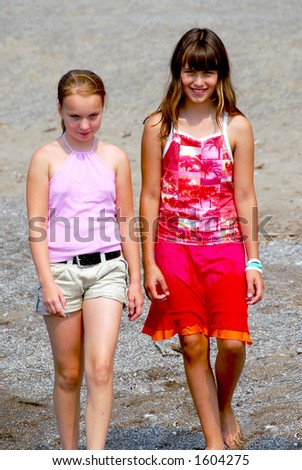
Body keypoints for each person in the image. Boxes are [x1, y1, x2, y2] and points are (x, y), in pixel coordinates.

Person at [139, 28, 265, 450]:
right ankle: (213, 443)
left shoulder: (237, 126)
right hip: (174, 250)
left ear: (220, 75)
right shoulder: (160, 126)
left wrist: (254, 261)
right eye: (191, 71)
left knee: (231, 343)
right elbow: (150, 195)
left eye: (207, 72)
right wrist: (148, 263)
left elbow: (245, 195)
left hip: (226, 249)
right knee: (193, 343)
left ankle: (223, 405)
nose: (198, 81)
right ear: (178, 72)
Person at [26, 69, 144, 450]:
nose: (84, 124)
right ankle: (69, 453)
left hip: (108, 270)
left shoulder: (115, 157)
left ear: (103, 108)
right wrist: (47, 283)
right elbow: (37, 227)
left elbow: (127, 221)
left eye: (93, 115)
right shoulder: (44, 158)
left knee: (101, 367)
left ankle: (95, 457)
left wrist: (135, 279)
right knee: (68, 372)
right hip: (60, 272)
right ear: (59, 110)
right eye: (75, 115)